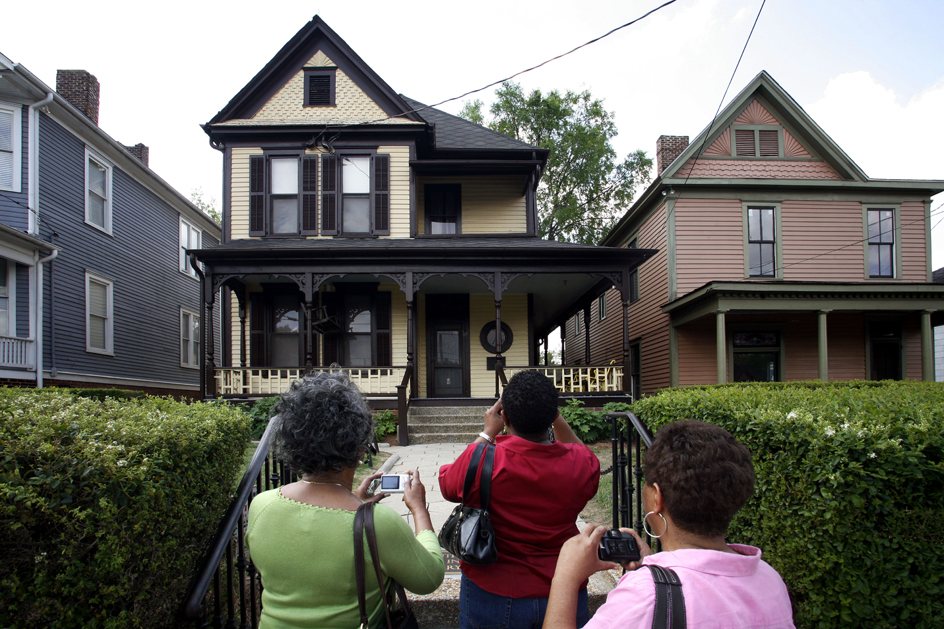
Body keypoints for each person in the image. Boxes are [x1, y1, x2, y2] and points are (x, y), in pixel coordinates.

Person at [543, 420, 795, 629]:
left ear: (656, 497)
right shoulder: (769, 579)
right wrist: (657, 566)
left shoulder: (644, 596)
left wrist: (566, 576)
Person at [247, 372, 445, 629]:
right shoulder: (378, 523)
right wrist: (419, 508)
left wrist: (353, 500)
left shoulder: (262, 505)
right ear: (359, 448)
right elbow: (429, 578)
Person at [439, 369, 601, 629]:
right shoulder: (581, 463)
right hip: (564, 587)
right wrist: (555, 416)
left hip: (493, 591)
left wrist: (486, 433)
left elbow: (448, 484)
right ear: (552, 415)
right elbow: (582, 451)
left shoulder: (483, 459)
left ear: (504, 415)